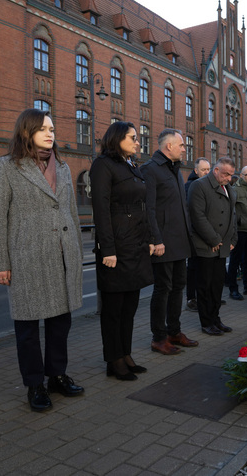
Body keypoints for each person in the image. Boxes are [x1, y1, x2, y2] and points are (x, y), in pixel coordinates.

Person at [0, 109, 84, 412]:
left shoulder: (63, 167)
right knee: (27, 327)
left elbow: (71, 213)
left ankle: (57, 375)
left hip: (64, 254)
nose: (50, 134)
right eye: (42, 129)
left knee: (60, 323)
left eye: (52, 128)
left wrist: (77, 251)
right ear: (27, 132)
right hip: (28, 257)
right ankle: (34, 384)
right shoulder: (6, 167)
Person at [90, 122, 155, 381]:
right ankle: (113, 360)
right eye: (132, 137)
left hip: (136, 245)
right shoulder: (103, 165)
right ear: (117, 138)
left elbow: (142, 206)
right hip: (116, 247)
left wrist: (150, 238)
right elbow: (101, 210)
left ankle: (126, 354)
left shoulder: (131, 165)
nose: (137, 142)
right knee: (114, 309)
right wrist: (107, 248)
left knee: (129, 306)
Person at [140, 129, 198, 355]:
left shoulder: (175, 169)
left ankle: (174, 331)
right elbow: (149, 209)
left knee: (178, 288)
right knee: (162, 289)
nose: (185, 148)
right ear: (169, 147)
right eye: (182, 145)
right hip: (163, 243)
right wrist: (156, 239)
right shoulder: (150, 169)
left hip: (179, 242)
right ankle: (159, 337)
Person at [187, 157, 237, 335]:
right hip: (206, 246)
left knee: (217, 286)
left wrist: (233, 239)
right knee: (205, 286)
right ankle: (206, 322)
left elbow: (232, 216)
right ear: (215, 170)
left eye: (231, 175)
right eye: (225, 174)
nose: (228, 178)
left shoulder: (229, 188)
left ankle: (216, 318)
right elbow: (197, 217)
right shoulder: (199, 186)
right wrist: (214, 239)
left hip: (223, 246)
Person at [225, 165, 247, 300]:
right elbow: (230, 210)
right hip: (239, 230)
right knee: (235, 260)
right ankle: (233, 288)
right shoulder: (235, 190)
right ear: (241, 176)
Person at [184, 157, 210, 312]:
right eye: (203, 170)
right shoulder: (190, 186)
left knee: (206, 269)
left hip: (206, 234)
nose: (206, 172)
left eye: (208, 169)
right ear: (196, 171)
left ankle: (204, 297)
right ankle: (191, 298)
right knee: (193, 268)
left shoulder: (210, 185)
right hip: (194, 234)